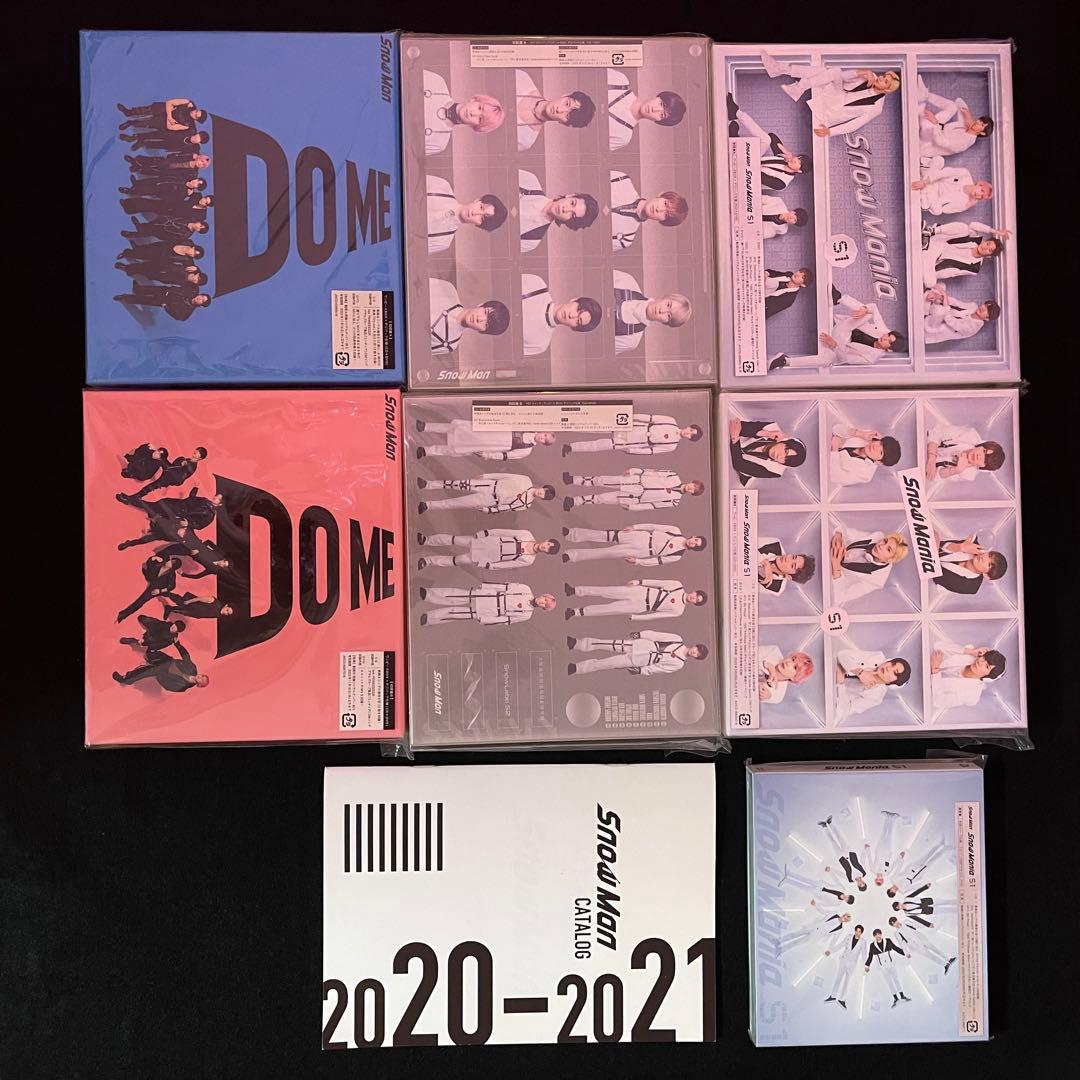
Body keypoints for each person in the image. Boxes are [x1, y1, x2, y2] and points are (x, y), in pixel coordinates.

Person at [760, 53, 900, 138]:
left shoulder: (876, 108)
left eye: (885, 81)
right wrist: (862, 72)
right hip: (836, 93)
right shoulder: (871, 76)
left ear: (887, 90)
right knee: (830, 72)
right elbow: (843, 77)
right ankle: (783, 73)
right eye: (884, 76)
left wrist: (830, 132)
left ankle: (786, 76)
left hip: (832, 110)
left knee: (828, 72)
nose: (881, 78)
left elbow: (855, 124)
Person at [774, 291, 906, 372]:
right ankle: (838, 298)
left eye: (889, 341)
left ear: (889, 350)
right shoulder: (883, 331)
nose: (885, 337)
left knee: (827, 361)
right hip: (843, 327)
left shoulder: (871, 358)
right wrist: (865, 309)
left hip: (838, 344)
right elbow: (874, 308)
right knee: (868, 313)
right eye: (889, 335)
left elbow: (844, 359)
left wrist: (834, 345)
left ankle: (785, 361)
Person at [725, 96, 813, 191]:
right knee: (766, 140)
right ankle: (737, 113)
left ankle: (736, 140)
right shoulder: (785, 160)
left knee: (750, 160)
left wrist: (746, 158)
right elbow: (772, 137)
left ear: (799, 171)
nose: (795, 160)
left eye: (799, 163)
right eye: (798, 158)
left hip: (743, 176)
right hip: (748, 160)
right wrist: (786, 152)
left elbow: (758, 176)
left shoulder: (782, 182)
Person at [422, 70, 504, 155]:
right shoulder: (437, 82)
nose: (473, 113)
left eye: (480, 119)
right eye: (479, 108)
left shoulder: (439, 143)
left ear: (476, 126)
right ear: (475, 100)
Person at [520, 274, 601, 355]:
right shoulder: (537, 284)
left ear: (573, 328)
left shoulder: (540, 344)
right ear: (574, 300)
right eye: (578, 309)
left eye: (578, 321)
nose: (572, 316)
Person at [613, 269, 692, 352]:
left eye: (668, 316)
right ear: (665, 297)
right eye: (668, 305)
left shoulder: (631, 340)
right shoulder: (627, 281)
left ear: (665, 322)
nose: (662, 311)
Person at [518, 169, 599, 251]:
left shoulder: (532, 240)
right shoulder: (530, 181)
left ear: (569, 222)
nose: (565, 209)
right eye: (572, 203)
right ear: (570, 195)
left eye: (572, 215)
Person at [916, 75, 993, 158]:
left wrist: (935, 122)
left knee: (927, 120)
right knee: (953, 107)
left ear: (982, 133)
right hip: (932, 131)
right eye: (980, 120)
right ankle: (925, 95)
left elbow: (940, 142)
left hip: (927, 142)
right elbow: (959, 101)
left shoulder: (965, 143)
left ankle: (920, 106)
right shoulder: (967, 126)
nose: (978, 122)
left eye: (982, 125)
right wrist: (968, 116)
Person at [515, 70, 594, 150]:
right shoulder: (522, 78)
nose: (559, 110)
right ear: (565, 95)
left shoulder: (526, 140)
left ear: (563, 123)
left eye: (567, 116)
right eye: (567, 103)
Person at [426, 177, 507, 253]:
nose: (475, 213)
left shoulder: (443, 241)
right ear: (477, 200)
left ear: (478, 225)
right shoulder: (442, 186)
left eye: (482, 218)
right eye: (481, 207)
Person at [608, 69, 685, 150]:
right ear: (658, 97)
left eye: (662, 115)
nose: (655, 109)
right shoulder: (620, 81)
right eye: (661, 104)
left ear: (658, 121)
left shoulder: (623, 137)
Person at [609, 172, 689, 250]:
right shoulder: (622, 180)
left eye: (666, 214)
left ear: (662, 221)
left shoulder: (626, 238)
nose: (659, 209)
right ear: (661, 194)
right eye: (665, 203)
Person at [830, 528, 909, 605]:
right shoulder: (878, 536)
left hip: (830, 577)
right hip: (829, 549)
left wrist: (836, 567)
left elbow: (841, 595)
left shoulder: (877, 581)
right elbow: (844, 531)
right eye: (885, 541)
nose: (881, 546)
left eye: (888, 549)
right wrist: (838, 537)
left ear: (891, 559)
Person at [429, 278, 510, 353]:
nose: (480, 319)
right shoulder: (448, 290)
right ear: (481, 304)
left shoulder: (451, 344)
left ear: (482, 331)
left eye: (486, 324)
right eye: (485, 312)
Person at [566, 632, 707, 675]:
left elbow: (658, 669)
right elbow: (657, 635)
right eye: (697, 649)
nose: (694, 652)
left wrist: (641, 671)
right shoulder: (677, 639)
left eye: (697, 655)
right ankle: (577, 643)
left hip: (640, 660)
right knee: (605, 643)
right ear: (695, 645)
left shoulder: (679, 664)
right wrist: (641, 634)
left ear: (696, 658)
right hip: (641, 645)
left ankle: (577, 668)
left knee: (607, 663)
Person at [562, 469, 704, 512]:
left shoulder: (675, 501)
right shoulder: (674, 475)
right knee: (601, 479)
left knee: (602, 498)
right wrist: (635, 471)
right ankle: (573, 479)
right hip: (633, 481)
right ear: (692, 482)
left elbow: (652, 506)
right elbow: (652, 472)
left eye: (694, 490)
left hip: (634, 497)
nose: (691, 488)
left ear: (692, 493)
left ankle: (573, 502)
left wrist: (633, 507)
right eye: (693, 485)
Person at [418, 582, 556, 626]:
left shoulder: (527, 615)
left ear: (543, 608)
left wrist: (486, 620)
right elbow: (503, 586)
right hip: (488, 596)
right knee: (455, 595)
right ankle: (428, 594)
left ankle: (429, 618)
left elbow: (505, 620)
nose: (542, 602)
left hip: (490, 611)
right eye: (545, 599)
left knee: (455, 613)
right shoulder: (525, 589)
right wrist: (485, 586)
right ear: (544, 595)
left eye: (544, 605)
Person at [562, 579, 707, 621]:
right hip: (641, 591)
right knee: (606, 591)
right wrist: (639, 581)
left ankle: (575, 612)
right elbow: (657, 582)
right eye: (696, 595)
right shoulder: (677, 585)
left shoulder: (679, 610)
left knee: (609, 609)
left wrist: (637, 617)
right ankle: (574, 590)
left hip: (641, 606)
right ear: (695, 592)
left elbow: (656, 616)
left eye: (696, 600)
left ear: (695, 604)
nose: (694, 598)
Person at [922, 220, 1009, 288]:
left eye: (989, 250)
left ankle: (925, 247)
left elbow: (950, 272)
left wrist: (931, 272)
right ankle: (931, 231)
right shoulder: (975, 238)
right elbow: (973, 225)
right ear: (985, 241)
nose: (985, 248)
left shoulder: (974, 268)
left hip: (934, 257)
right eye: (987, 244)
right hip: (939, 241)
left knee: (930, 283)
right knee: (964, 227)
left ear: (989, 255)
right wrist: (997, 232)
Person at [562, 413, 702, 456]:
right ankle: (567, 426)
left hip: (634, 442)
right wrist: (631, 416)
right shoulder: (671, 421)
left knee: (600, 445)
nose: (688, 433)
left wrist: (633, 451)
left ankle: (571, 447)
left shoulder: (672, 446)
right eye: (691, 430)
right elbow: (649, 418)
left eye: (691, 435)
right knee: (597, 427)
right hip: (633, 427)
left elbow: (651, 451)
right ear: (689, 426)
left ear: (690, 439)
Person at [413, 419, 556, 460]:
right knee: (459, 428)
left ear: (543, 444)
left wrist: (487, 455)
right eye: (545, 435)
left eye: (545, 440)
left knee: (459, 448)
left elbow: (505, 456)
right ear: (543, 431)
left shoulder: (526, 450)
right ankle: (426, 426)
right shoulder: (527, 425)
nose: (542, 438)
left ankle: (426, 451)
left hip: (490, 444)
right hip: (490, 429)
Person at [562, 524, 705, 566]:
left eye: (695, 545)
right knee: (606, 535)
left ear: (694, 548)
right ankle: (571, 533)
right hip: (641, 536)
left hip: (642, 551)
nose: (693, 542)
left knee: (606, 552)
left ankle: (571, 556)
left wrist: (638, 562)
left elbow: (656, 561)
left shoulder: (677, 555)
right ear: (694, 536)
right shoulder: (675, 531)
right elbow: (653, 526)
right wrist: (635, 527)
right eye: (696, 540)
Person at [416, 473, 556, 515]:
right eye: (544, 491)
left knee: (458, 503)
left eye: (544, 496)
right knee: (456, 483)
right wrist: (488, 475)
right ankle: (428, 484)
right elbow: (507, 475)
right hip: (489, 485)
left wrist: (488, 510)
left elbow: (506, 508)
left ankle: (428, 505)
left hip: (490, 500)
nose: (541, 493)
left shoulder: (526, 504)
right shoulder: (526, 480)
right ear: (543, 487)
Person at [415, 530, 560, 570]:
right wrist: (488, 532)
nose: (545, 547)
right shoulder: (527, 535)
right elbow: (505, 532)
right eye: (548, 544)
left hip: (490, 557)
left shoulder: (529, 560)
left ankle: (427, 561)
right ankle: (426, 540)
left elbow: (508, 565)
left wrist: (490, 566)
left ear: (547, 553)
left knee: (457, 560)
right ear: (547, 540)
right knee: (455, 540)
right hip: (489, 541)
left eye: (548, 549)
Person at [834, 649, 912, 722]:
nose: (888, 668)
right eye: (892, 664)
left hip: (832, 696)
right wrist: (860, 672)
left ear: (893, 683)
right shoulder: (878, 657)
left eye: (895, 672)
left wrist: (840, 684)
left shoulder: (876, 697)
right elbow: (842, 654)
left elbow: (843, 712)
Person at [728, 419, 806, 486]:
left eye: (785, 460)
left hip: (733, 471)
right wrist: (766, 433)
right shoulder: (772, 428)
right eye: (786, 451)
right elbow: (740, 426)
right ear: (785, 441)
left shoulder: (775, 471)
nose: (780, 456)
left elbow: (739, 465)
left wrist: (735, 439)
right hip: (730, 442)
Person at [930, 642, 1006, 710]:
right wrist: (971, 652)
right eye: (984, 658)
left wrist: (935, 670)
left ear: (987, 678)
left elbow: (939, 701)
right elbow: (937, 646)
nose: (980, 662)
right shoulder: (970, 653)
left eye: (987, 666)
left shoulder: (971, 695)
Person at [112, 641, 208, 693]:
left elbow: (168, 686)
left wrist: (159, 676)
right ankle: (144, 651)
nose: (200, 677)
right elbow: (186, 657)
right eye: (202, 676)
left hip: (162, 672)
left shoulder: (183, 687)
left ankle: (125, 679)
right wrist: (178, 645)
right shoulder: (192, 668)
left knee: (144, 672)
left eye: (202, 680)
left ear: (199, 685)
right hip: (168, 661)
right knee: (151, 651)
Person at [925, 424, 1005, 484]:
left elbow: (934, 476)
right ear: (981, 445)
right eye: (984, 451)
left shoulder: (969, 474)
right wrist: (931, 458)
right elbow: (937, 432)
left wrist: (956, 470)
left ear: (982, 466)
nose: (980, 456)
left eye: (985, 461)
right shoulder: (970, 435)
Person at [912, 157, 992, 216]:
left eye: (981, 197)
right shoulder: (964, 174)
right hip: (933, 181)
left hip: (933, 195)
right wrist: (925, 182)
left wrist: (965, 206)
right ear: (980, 184)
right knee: (940, 160)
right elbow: (945, 172)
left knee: (937, 211)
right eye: (981, 191)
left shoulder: (964, 203)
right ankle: (923, 190)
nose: (979, 195)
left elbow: (945, 210)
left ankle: (924, 173)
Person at [933, 535, 1007, 595]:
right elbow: (938, 544)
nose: (984, 558)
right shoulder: (973, 545)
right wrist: (959, 547)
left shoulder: (971, 586)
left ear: (986, 575)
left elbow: (937, 577)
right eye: (989, 555)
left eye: (989, 564)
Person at [922, 287, 1000, 345]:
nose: (983, 308)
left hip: (935, 328)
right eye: (985, 305)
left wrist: (944, 296)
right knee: (940, 288)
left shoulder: (973, 328)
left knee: (940, 311)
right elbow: (956, 303)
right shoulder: (973, 306)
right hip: (941, 316)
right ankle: (926, 307)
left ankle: (924, 317)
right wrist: (939, 296)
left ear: (987, 319)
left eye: (987, 311)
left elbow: (950, 320)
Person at [116, 556, 182, 623]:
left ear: (173, 567)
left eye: (171, 563)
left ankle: (123, 615)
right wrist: (153, 558)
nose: (169, 562)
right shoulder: (161, 563)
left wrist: (160, 591)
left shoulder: (171, 574)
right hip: (150, 579)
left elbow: (172, 586)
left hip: (156, 588)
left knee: (140, 601)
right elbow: (149, 563)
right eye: (170, 560)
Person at [830, 426, 902, 486]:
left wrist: (835, 449)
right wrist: (860, 433)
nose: (875, 447)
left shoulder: (866, 474)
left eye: (880, 452)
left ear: (879, 462)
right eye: (880, 443)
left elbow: (835, 477)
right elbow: (835, 428)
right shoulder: (867, 436)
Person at [127, 448, 207, 499]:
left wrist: (185, 464)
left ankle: (136, 495)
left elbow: (187, 470)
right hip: (171, 472)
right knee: (155, 483)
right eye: (197, 450)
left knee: (160, 461)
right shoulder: (188, 459)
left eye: (199, 452)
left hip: (174, 477)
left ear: (200, 458)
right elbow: (176, 465)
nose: (197, 451)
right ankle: (138, 494)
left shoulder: (193, 466)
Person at [888, 917, 955, 974]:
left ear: (897, 920)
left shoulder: (905, 922)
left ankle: (948, 959)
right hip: (916, 946)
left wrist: (928, 925)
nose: (895, 924)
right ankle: (945, 965)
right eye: (893, 924)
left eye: (895, 921)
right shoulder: (897, 934)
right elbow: (902, 943)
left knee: (935, 949)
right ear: (893, 926)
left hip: (921, 939)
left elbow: (917, 924)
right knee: (930, 956)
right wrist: (907, 953)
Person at [864, 930, 912, 1007]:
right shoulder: (872, 945)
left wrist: (906, 953)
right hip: (882, 966)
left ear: (881, 934)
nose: (878, 936)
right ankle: (895, 998)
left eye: (879, 934)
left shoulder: (888, 941)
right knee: (889, 982)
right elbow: (870, 956)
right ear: (874, 936)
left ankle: (902, 996)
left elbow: (896, 948)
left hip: (891, 963)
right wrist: (867, 965)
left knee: (896, 979)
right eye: (876, 935)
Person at [114, 285, 211, 322]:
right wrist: (170, 290)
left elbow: (180, 318)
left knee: (144, 300)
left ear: (201, 305)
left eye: (202, 300)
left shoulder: (188, 311)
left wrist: (166, 307)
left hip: (165, 302)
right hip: (167, 292)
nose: (200, 298)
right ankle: (138, 289)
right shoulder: (193, 291)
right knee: (150, 289)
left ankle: (124, 298)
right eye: (202, 296)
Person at [824, 925, 866, 1009]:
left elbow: (864, 954)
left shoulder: (863, 942)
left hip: (852, 964)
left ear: (861, 933)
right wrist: (831, 951)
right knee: (838, 978)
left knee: (847, 981)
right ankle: (833, 996)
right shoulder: (849, 937)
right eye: (856, 931)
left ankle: (842, 1000)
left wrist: (866, 965)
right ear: (854, 930)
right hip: (843, 960)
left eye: (859, 932)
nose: (857, 933)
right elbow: (840, 945)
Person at [776, 912, 852, 954]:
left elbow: (834, 940)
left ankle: (781, 950)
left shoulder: (840, 929)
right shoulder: (833, 914)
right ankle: (778, 940)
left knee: (797, 942)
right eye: (844, 916)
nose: (843, 918)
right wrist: (808, 924)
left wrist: (830, 950)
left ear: (846, 921)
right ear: (843, 914)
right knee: (795, 934)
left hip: (815, 936)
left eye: (845, 919)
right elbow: (820, 916)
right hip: (812, 927)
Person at [117, 98, 206, 132]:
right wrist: (170, 116)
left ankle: (130, 123)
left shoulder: (187, 125)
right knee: (149, 109)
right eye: (196, 111)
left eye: (196, 115)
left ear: (196, 119)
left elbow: (170, 127)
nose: (194, 112)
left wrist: (169, 115)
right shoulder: (187, 103)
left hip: (164, 122)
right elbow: (169, 102)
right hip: (165, 111)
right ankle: (129, 112)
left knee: (146, 123)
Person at [119, 614, 186, 653]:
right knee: (141, 618)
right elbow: (158, 625)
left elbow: (160, 644)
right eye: (174, 625)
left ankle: (133, 640)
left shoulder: (171, 638)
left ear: (177, 631)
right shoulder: (169, 624)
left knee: (143, 643)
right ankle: (144, 636)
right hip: (155, 628)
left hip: (154, 639)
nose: (173, 627)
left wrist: (145, 640)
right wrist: (147, 631)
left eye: (175, 628)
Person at [125, 152, 211, 178]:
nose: (200, 163)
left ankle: (138, 168)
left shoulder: (193, 172)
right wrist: (171, 156)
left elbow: (182, 177)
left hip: (170, 172)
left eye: (203, 165)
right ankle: (134, 160)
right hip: (169, 161)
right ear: (200, 157)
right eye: (202, 161)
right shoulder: (191, 155)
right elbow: (179, 154)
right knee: (152, 161)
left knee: (153, 170)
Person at [160, 593, 234, 620]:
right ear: (226, 606)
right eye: (227, 610)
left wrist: (197, 616)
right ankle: (165, 592)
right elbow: (200, 599)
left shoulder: (219, 615)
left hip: (194, 612)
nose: (226, 613)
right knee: (178, 600)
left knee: (181, 611)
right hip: (192, 604)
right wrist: (189, 601)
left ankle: (169, 608)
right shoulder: (215, 603)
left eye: (228, 614)